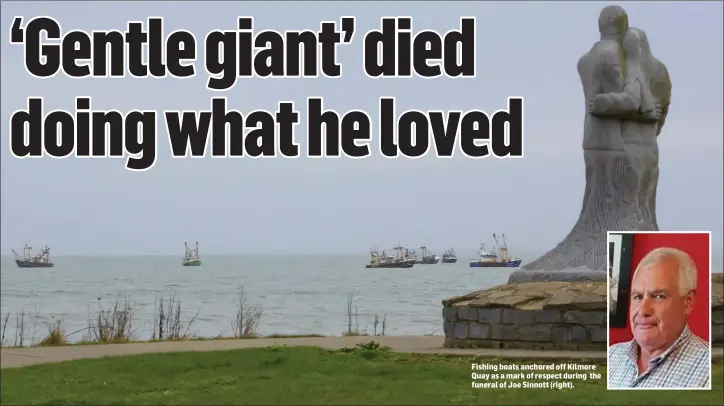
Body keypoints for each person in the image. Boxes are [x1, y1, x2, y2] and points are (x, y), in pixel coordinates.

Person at [608, 247, 710, 388]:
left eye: (658, 296)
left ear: (688, 302)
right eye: (637, 297)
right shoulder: (611, 356)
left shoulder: (709, 371)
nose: (643, 311)